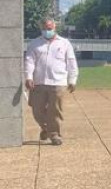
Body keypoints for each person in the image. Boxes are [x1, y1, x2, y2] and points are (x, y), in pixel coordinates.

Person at [24, 18, 78, 146]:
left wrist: (72, 79)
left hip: (58, 82)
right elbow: (29, 61)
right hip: (38, 82)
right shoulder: (34, 43)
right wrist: (28, 77)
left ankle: (54, 135)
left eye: (49, 28)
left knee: (54, 110)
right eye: (44, 29)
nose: (47, 31)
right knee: (37, 110)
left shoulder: (64, 43)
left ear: (54, 28)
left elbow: (71, 62)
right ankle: (46, 128)